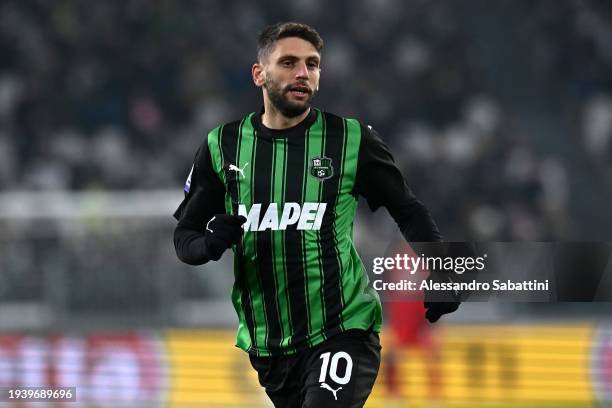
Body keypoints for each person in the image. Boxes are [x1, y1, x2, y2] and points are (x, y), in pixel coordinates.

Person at [173, 21, 459, 408]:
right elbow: (184, 236)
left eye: (312, 64)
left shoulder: (350, 140)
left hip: (342, 329)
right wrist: (208, 244)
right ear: (259, 73)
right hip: (270, 346)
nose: (302, 73)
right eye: (288, 62)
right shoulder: (222, 145)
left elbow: (407, 209)